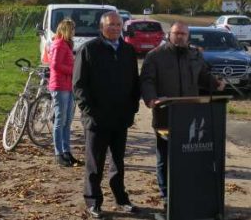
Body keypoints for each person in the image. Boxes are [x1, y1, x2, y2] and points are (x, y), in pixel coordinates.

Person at [140, 21, 225, 205]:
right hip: (166, 116)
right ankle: (166, 195)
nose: (180, 37)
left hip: (190, 115)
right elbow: (147, 81)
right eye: (176, 33)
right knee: (165, 157)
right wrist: (151, 99)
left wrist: (215, 83)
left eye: (183, 34)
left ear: (188, 36)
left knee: (187, 155)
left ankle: (185, 190)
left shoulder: (194, 55)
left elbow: (202, 77)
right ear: (169, 35)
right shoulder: (155, 56)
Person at [73, 11, 140, 219]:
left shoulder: (128, 50)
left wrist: (132, 108)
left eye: (118, 25)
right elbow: (79, 86)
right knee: (95, 163)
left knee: (118, 162)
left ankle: (121, 199)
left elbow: (134, 82)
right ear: (102, 27)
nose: (115, 28)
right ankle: (93, 202)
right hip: (97, 119)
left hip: (120, 118)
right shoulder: (89, 49)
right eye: (111, 25)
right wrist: (90, 111)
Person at [49, 18, 81, 167]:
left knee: (67, 121)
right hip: (60, 86)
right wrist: (73, 71)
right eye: (73, 29)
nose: (74, 32)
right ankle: (58, 153)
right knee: (60, 120)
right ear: (67, 29)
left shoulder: (66, 45)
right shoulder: (59, 44)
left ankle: (66, 151)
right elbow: (55, 65)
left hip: (67, 86)